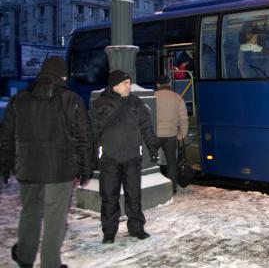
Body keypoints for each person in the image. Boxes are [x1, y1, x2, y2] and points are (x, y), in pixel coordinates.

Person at [0, 56, 92, 268]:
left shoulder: (19, 100)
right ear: (63, 75)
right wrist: (85, 169)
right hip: (59, 171)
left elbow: (6, 137)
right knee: (54, 218)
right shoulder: (72, 100)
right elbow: (83, 137)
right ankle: (50, 263)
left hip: (28, 168)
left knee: (29, 211)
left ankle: (24, 256)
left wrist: (5, 167)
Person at [89, 70, 158, 244]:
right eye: (126, 83)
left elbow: (146, 127)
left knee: (134, 195)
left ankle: (137, 228)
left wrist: (152, 146)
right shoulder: (100, 104)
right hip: (109, 159)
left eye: (129, 83)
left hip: (132, 158)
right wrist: (90, 158)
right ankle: (109, 232)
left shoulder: (135, 103)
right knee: (109, 196)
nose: (129, 86)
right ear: (116, 85)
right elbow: (92, 133)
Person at [154, 75, 189, 194]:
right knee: (171, 162)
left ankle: (154, 186)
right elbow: (183, 118)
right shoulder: (177, 97)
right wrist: (182, 133)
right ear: (169, 83)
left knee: (152, 162)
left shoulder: (152, 97)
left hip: (155, 135)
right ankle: (171, 188)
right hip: (171, 135)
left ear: (158, 85)